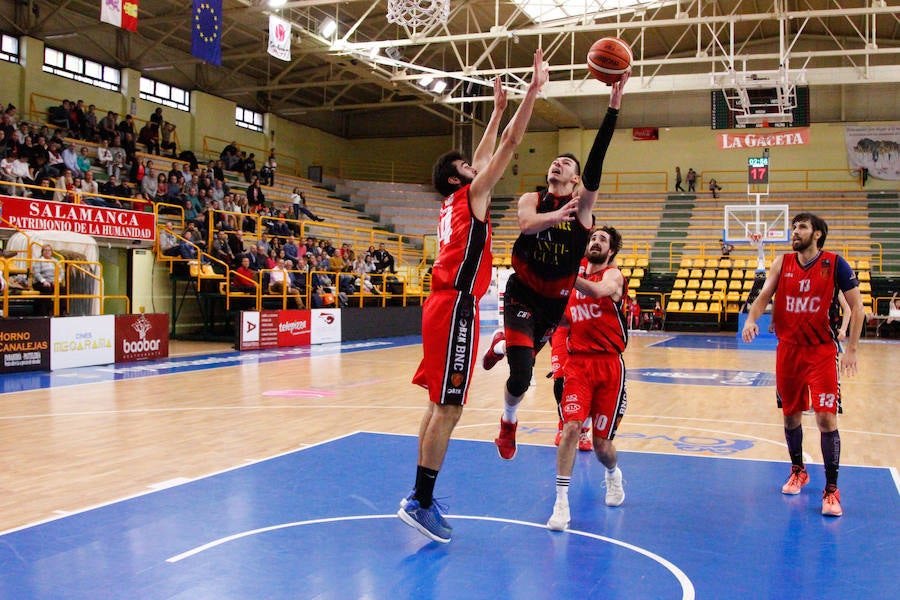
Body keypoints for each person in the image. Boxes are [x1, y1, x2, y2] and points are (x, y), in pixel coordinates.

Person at [397, 50, 548, 544]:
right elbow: (507, 147)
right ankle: (421, 502)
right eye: (467, 166)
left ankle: (417, 494)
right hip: (457, 304)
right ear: (458, 178)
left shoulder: (453, 201)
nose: (476, 165)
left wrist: (497, 107)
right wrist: (531, 93)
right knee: (450, 409)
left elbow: (484, 154)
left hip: (442, 302)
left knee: (438, 403)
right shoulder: (470, 195)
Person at [485, 71, 629, 461]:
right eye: (554, 162)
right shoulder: (531, 200)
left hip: (553, 304)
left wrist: (612, 110)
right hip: (522, 292)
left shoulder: (583, 211)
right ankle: (508, 421)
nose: (557, 165)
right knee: (520, 376)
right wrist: (556, 216)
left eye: (566, 163)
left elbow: (596, 163)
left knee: (524, 364)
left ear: (577, 179)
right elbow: (527, 225)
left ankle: (504, 342)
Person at [741, 213, 864, 517]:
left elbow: (858, 307)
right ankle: (798, 470)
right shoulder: (782, 262)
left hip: (821, 352)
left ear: (818, 234)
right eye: (794, 227)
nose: (795, 232)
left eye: (802, 227)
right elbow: (763, 295)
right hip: (788, 351)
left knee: (825, 420)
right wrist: (753, 319)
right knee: (790, 417)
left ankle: (832, 490)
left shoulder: (835, 264)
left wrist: (852, 349)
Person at [547, 226, 629, 531]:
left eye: (602, 240)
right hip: (578, 365)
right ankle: (561, 503)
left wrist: (565, 275)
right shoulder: (573, 286)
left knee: (602, 447)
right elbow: (564, 320)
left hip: (609, 367)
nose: (595, 242)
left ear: (611, 251)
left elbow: (596, 292)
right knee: (570, 427)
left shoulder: (613, 277)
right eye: (593, 237)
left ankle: (612, 474)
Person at [32, 243, 64, 316]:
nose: (47, 252)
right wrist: (44, 281)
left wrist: (57, 280)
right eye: (45, 250)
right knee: (47, 289)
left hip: (53, 281)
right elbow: (36, 273)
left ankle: (60, 312)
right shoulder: (39, 261)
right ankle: (45, 312)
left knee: (62, 289)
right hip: (40, 282)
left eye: (49, 250)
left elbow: (61, 272)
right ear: (42, 252)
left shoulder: (55, 261)